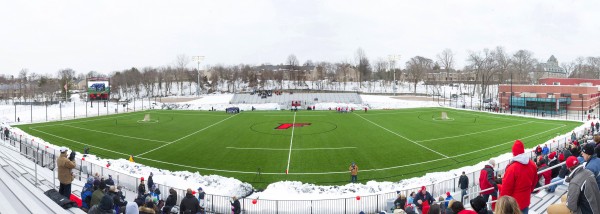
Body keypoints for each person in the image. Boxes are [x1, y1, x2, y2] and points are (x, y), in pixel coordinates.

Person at [500, 140, 538, 214]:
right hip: (525, 200)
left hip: (513, 205)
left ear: (514, 153)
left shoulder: (512, 168)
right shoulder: (532, 164)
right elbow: (534, 181)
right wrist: (528, 191)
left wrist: (502, 203)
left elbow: (506, 189)